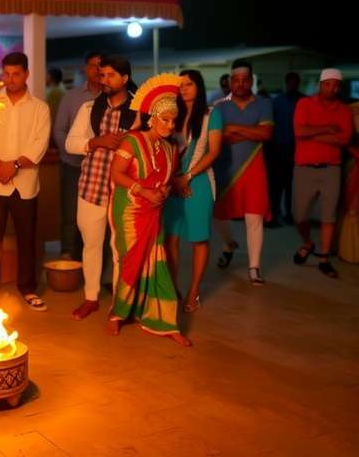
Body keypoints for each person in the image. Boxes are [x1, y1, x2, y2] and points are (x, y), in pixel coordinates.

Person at [107, 73, 190, 346]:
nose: (170, 125)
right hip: (130, 210)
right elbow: (116, 175)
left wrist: (164, 191)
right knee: (131, 262)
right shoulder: (132, 141)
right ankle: (117, 314)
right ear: (152, 117)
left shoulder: (170, 148)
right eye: (165, 119)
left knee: (158, 262)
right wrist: (143, 191)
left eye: (173, 120)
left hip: (155, 210)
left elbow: (168, 181)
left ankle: (165, 321)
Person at [0, 52, 50, 311]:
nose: (10, 79)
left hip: (24, 184)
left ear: (26, 74)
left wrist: (14, 165)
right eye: (6, 73)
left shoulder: (40, 107)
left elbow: (39, 144)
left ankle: (27, 288)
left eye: (16, 74)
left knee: (27, 238)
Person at [65, 54, 138, 319]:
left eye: (110, 75)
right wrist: (98, 141)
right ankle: (91, 297)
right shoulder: (89, 109)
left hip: (125, 192)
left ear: (125, 78)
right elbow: (71, 143)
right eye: (101, 74)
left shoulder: (139, 112)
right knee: (91, 246)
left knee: (120, 250)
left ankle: (120, 304)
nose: (103, 79)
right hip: (91, 188)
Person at [163, 70, 223, 312]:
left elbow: (214, 151)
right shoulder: (172, 115)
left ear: (198, 86)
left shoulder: (211, 114)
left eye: (189, 84)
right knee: (170, 239)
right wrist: (175, 179)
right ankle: (172, 287)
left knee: (199, 238)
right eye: (181, 85)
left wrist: (187, 176)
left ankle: (194, 292)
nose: (184, 88)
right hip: (172, 182)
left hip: (198, 182)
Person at [212, 59, 274, 285]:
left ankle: (254, 267)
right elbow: (219, 137)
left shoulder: (264, 103)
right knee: (219, 216)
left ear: (251, 80)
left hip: (254, 166)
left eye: (244, 80)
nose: (240, 84)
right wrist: (252, 131)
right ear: (230, 81)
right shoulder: (219, 106)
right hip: (225, 168)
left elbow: (266, 134)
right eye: (235, 80)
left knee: (254, 216)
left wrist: (235, 129)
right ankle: (229, 244)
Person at [291, 68, 352, 278]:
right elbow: (299, 132)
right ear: (320, 84)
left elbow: (343, 140)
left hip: (331, 169)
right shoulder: (305, 104)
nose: (332, 88)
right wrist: (328, 129)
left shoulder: (343, 110)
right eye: (328, 84)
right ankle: (308, 243)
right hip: (304, 168)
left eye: (336, 85)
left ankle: (324, 258)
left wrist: (312, 133)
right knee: (299, 215)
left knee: (329, 215)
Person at [53, 51, 103, 262]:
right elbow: (59, 130)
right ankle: (68, 261)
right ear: (85, 69)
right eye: (93, 65)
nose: (97, 70)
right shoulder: (71, 97)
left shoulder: (112, 96)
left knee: (100, 218)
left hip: (103, 169)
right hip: (74, 166)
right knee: (71, 216)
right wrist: (72, 153)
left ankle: (97, 266)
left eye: (101, 66)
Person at [267, 72, 304, 227]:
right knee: (277, 184)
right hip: (279, 148)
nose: (292, 85)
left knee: (292, 185)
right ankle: (275, 213)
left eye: (295, 82)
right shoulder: (277, 102)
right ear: (286, 83)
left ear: (298, 83)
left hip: (297, 148)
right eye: (290, 82)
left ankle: (290, 213)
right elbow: (270, 123)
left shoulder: (304, 101)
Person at [337, 100, 359, 263]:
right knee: (351, 207)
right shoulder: (351, 110)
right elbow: (344, 139)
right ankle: (350, 251)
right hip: (354, 165)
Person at [45, 67, 66, 138]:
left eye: (46, 75)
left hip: (54, 128)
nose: (45, 77)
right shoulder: (60, 89)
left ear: (50, 77)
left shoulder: (55, 92)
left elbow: (51, 113)